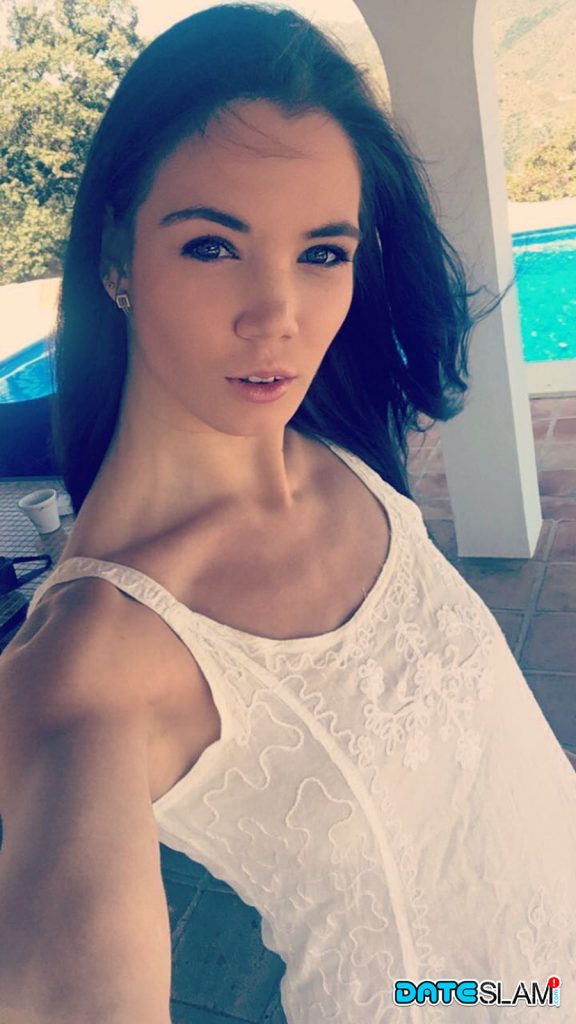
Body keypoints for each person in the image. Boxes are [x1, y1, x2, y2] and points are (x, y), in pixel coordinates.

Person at [0, 4, 575, 1023]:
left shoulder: (338, 448)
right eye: (212, 246)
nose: (278, 318)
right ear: (117, 253)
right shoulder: (91, 662)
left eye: (321, 253)